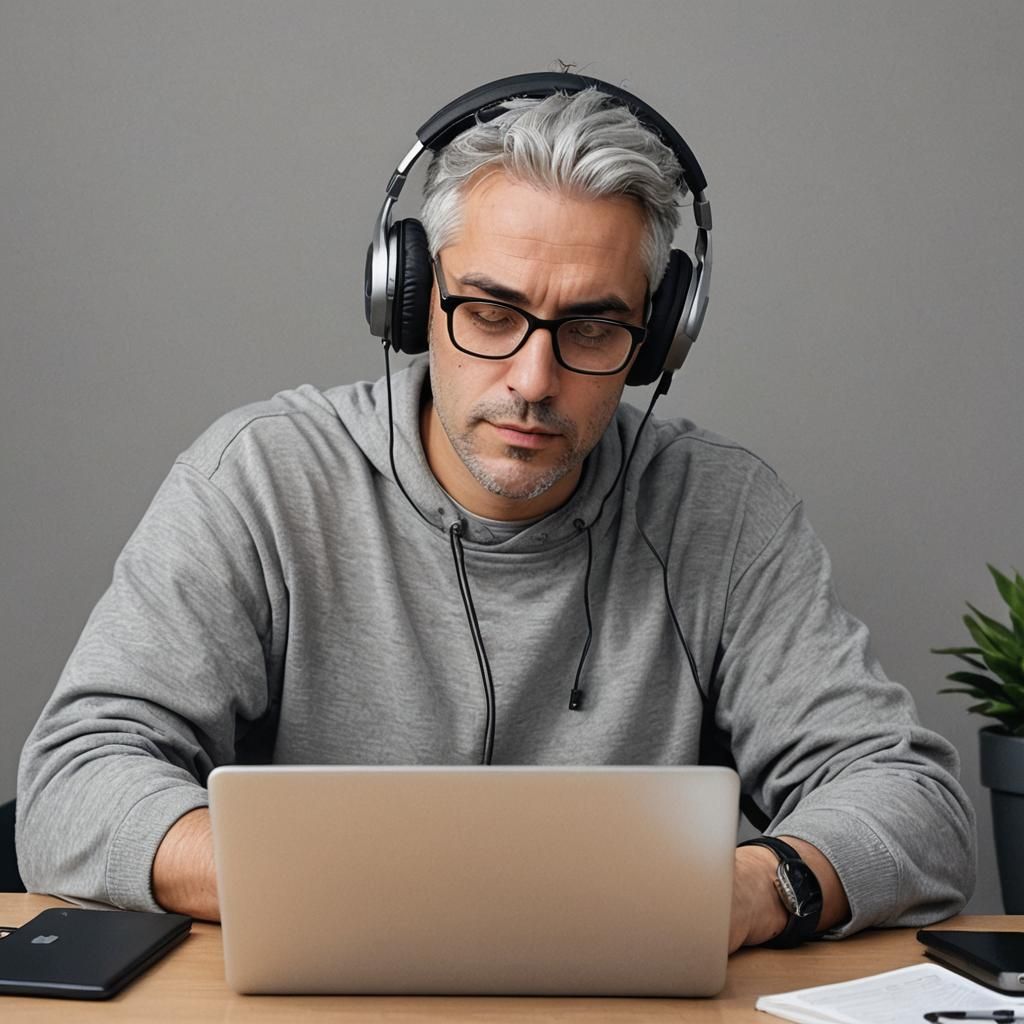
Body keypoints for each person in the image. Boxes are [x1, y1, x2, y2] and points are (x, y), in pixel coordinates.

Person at [17, 74, 975, 952]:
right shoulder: (261, 480)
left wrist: (752, 889)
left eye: (592, 327)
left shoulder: (721, 513)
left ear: (657, 339)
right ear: (409, 301)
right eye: (489, 313)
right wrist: (336, 888)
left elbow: (911, 799)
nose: (532, 380)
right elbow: (74, 783)